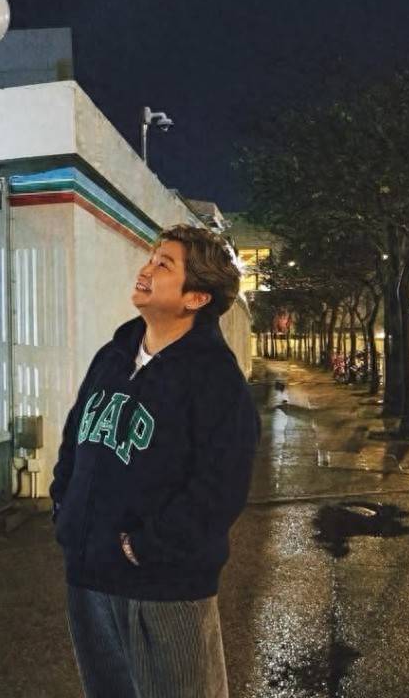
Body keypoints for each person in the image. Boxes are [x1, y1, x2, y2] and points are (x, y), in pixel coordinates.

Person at [51, 224, 260, 698]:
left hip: (164, 587)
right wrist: (66, 511)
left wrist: (148, 546)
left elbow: (221, 487)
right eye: (151, 258)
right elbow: (75, 437)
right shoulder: (112, 356)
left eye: (164, 265)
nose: (146, 270)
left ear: (196, 298)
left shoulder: (215, 379)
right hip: (88, 576)